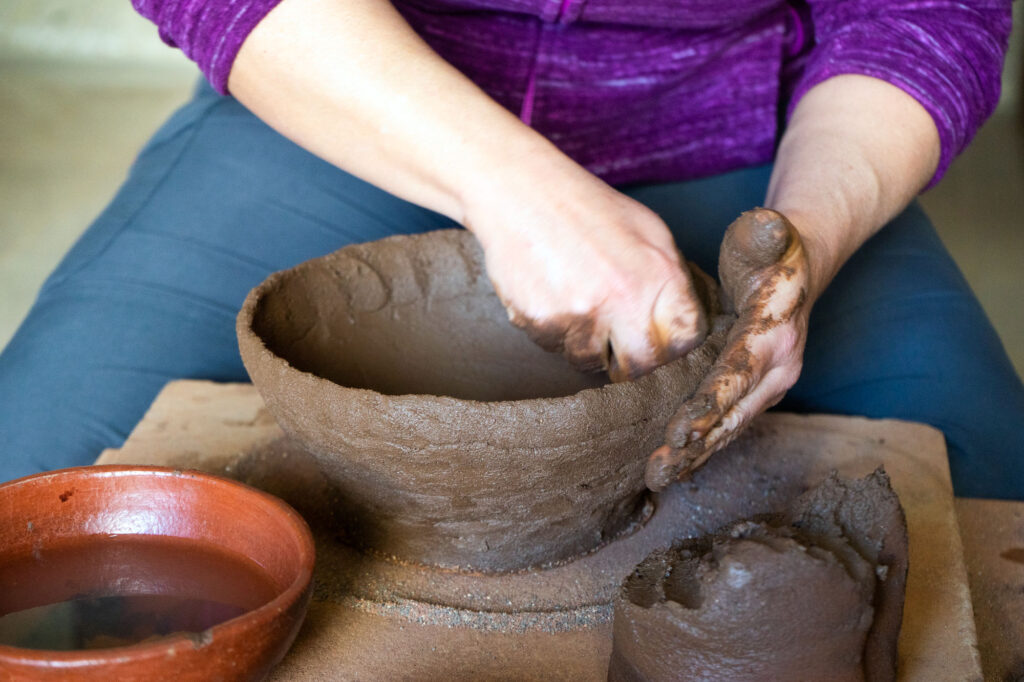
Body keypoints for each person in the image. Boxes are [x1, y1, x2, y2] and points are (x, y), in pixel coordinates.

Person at [0, 0, 1021, 498]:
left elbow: (921, 17)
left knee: (988, 499)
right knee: (36, 478)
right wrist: (517, 189)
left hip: (751, 132)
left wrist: (803, 242)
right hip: (345, 94)